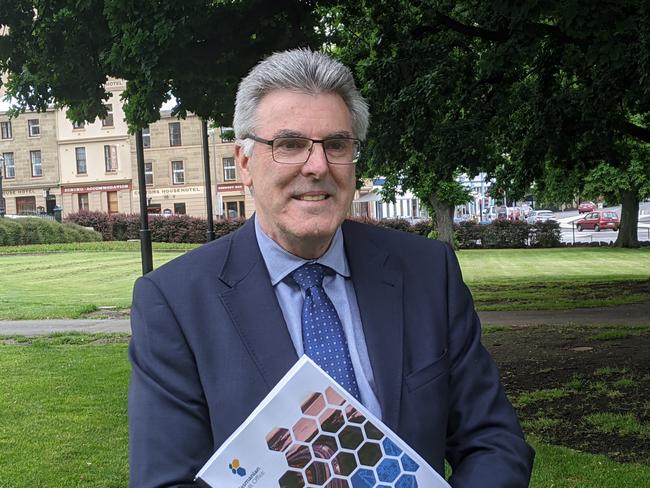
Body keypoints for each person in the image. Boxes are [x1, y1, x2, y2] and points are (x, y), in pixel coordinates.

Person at [128, 48, 534, 487]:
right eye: (289, 144)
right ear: (244, 163)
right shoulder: (174, 303)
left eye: (336, 145)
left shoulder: (427, 273)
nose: (317, 166)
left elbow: (494, 442)